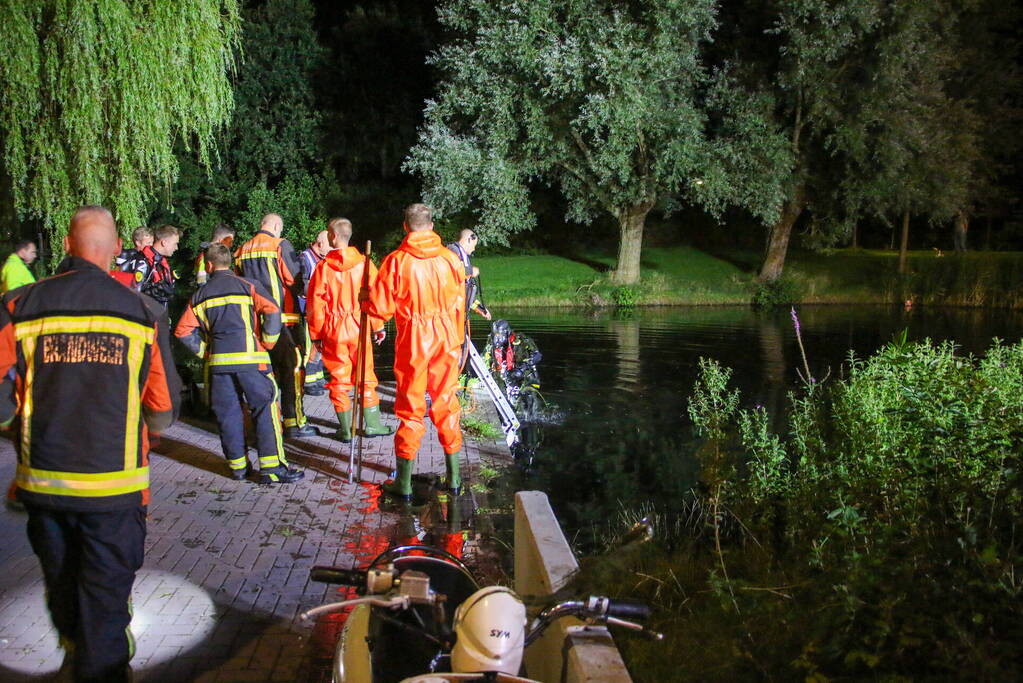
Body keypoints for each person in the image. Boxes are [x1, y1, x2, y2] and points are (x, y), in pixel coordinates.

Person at [0, 205, 174, 682]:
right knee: (105, 605)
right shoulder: (143, 313)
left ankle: (75, 653)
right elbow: (162, 407)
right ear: (117, 248)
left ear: (67, 245)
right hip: (115, 494)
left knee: (62, 588)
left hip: (45, 489)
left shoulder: (20, 306)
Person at [176, 244, 304, 484]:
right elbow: (273, 310)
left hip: (219, 367)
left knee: (229, 416)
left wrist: (206, 352)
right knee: (265, 410)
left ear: (209, 265)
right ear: (229, 263)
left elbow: (183, 331)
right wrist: (268, 341)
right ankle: (272, 468)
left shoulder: (200, 296)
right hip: (252, 362)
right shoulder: (248, 286)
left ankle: (238, 468)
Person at [365, 203, 467, 499]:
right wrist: (458, 341)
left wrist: (366, 300)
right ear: (432, 225)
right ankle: (455, 478)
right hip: (447, 337)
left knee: (411, 411)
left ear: (405, 226)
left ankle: (405, 484)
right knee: (446, 403)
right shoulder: (451, 260)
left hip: (415, 341)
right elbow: (460, 304)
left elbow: (381, 309)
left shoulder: (396, 262)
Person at [306, 218, 394, 442]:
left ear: (332, 236)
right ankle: (372, 425)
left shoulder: (323, 268)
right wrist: (378, 325)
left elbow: (315, 305)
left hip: (334, 330)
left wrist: (316, 335)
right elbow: (375, 298)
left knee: (338, 379)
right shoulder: (364, 264)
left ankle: (346, 430)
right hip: (359, 327)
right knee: (365, 377)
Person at [234, 213, 316, 437]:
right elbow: (293, 279)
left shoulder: (241, 250)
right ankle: (294, 422)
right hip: (283, 320)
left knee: (265, 373)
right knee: (292, 369)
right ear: (276, 226)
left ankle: (269, 422)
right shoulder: (280, 245)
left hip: (255, 323)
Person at [298, 230, 331, 396]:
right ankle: (308, 382)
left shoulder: (321, 259)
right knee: (310, 347)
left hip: (318, 309)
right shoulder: (305, 259)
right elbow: (302, 286)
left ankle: (318, 378)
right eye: (329, 245)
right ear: (321, 244)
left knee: (320, 347)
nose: (332, 249)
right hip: (307, 310)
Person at [124, 224, 180, 306]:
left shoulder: (161, 263)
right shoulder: (142, 260)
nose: (176, 248)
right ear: (164, 243)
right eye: (175, 244)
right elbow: (131, 293)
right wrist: (152, 291)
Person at [447, 229, 491, 320]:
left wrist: (480, 309)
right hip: (452, 315)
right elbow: (450, 272)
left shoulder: (463, 256)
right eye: (474, 245)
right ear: (469, 239)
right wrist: (470, 271)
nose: (474, 249)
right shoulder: (453, 251)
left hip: (461, 316)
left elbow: (466, 294)